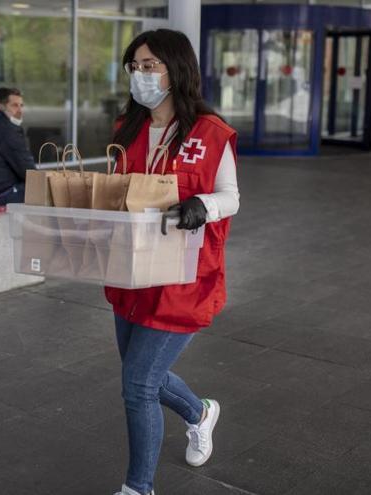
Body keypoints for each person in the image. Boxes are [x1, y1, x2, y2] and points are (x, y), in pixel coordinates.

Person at [106, 29, 240, 495]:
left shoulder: (210, 132)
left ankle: (138, 488)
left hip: (185, 277)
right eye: (134, 66)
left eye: (150, 66)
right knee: (142, 375)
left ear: (176, 69)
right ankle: (200, 413)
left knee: (138, 385)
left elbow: (231, 196)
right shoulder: (128, 126)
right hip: (133, 271)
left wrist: (203, 205)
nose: (140, 76)